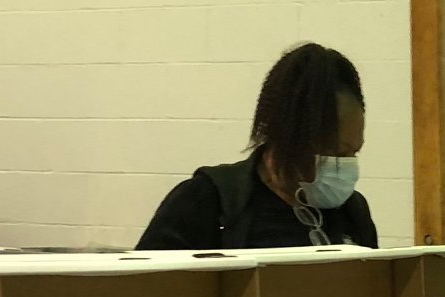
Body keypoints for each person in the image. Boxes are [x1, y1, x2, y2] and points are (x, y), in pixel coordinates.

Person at [137, 43, 379, 250]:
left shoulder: (352, 212)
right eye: (334, 152)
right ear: (286, 138)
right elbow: (147, 287)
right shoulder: (207, 202)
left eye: (353, 153)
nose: (345, 166)